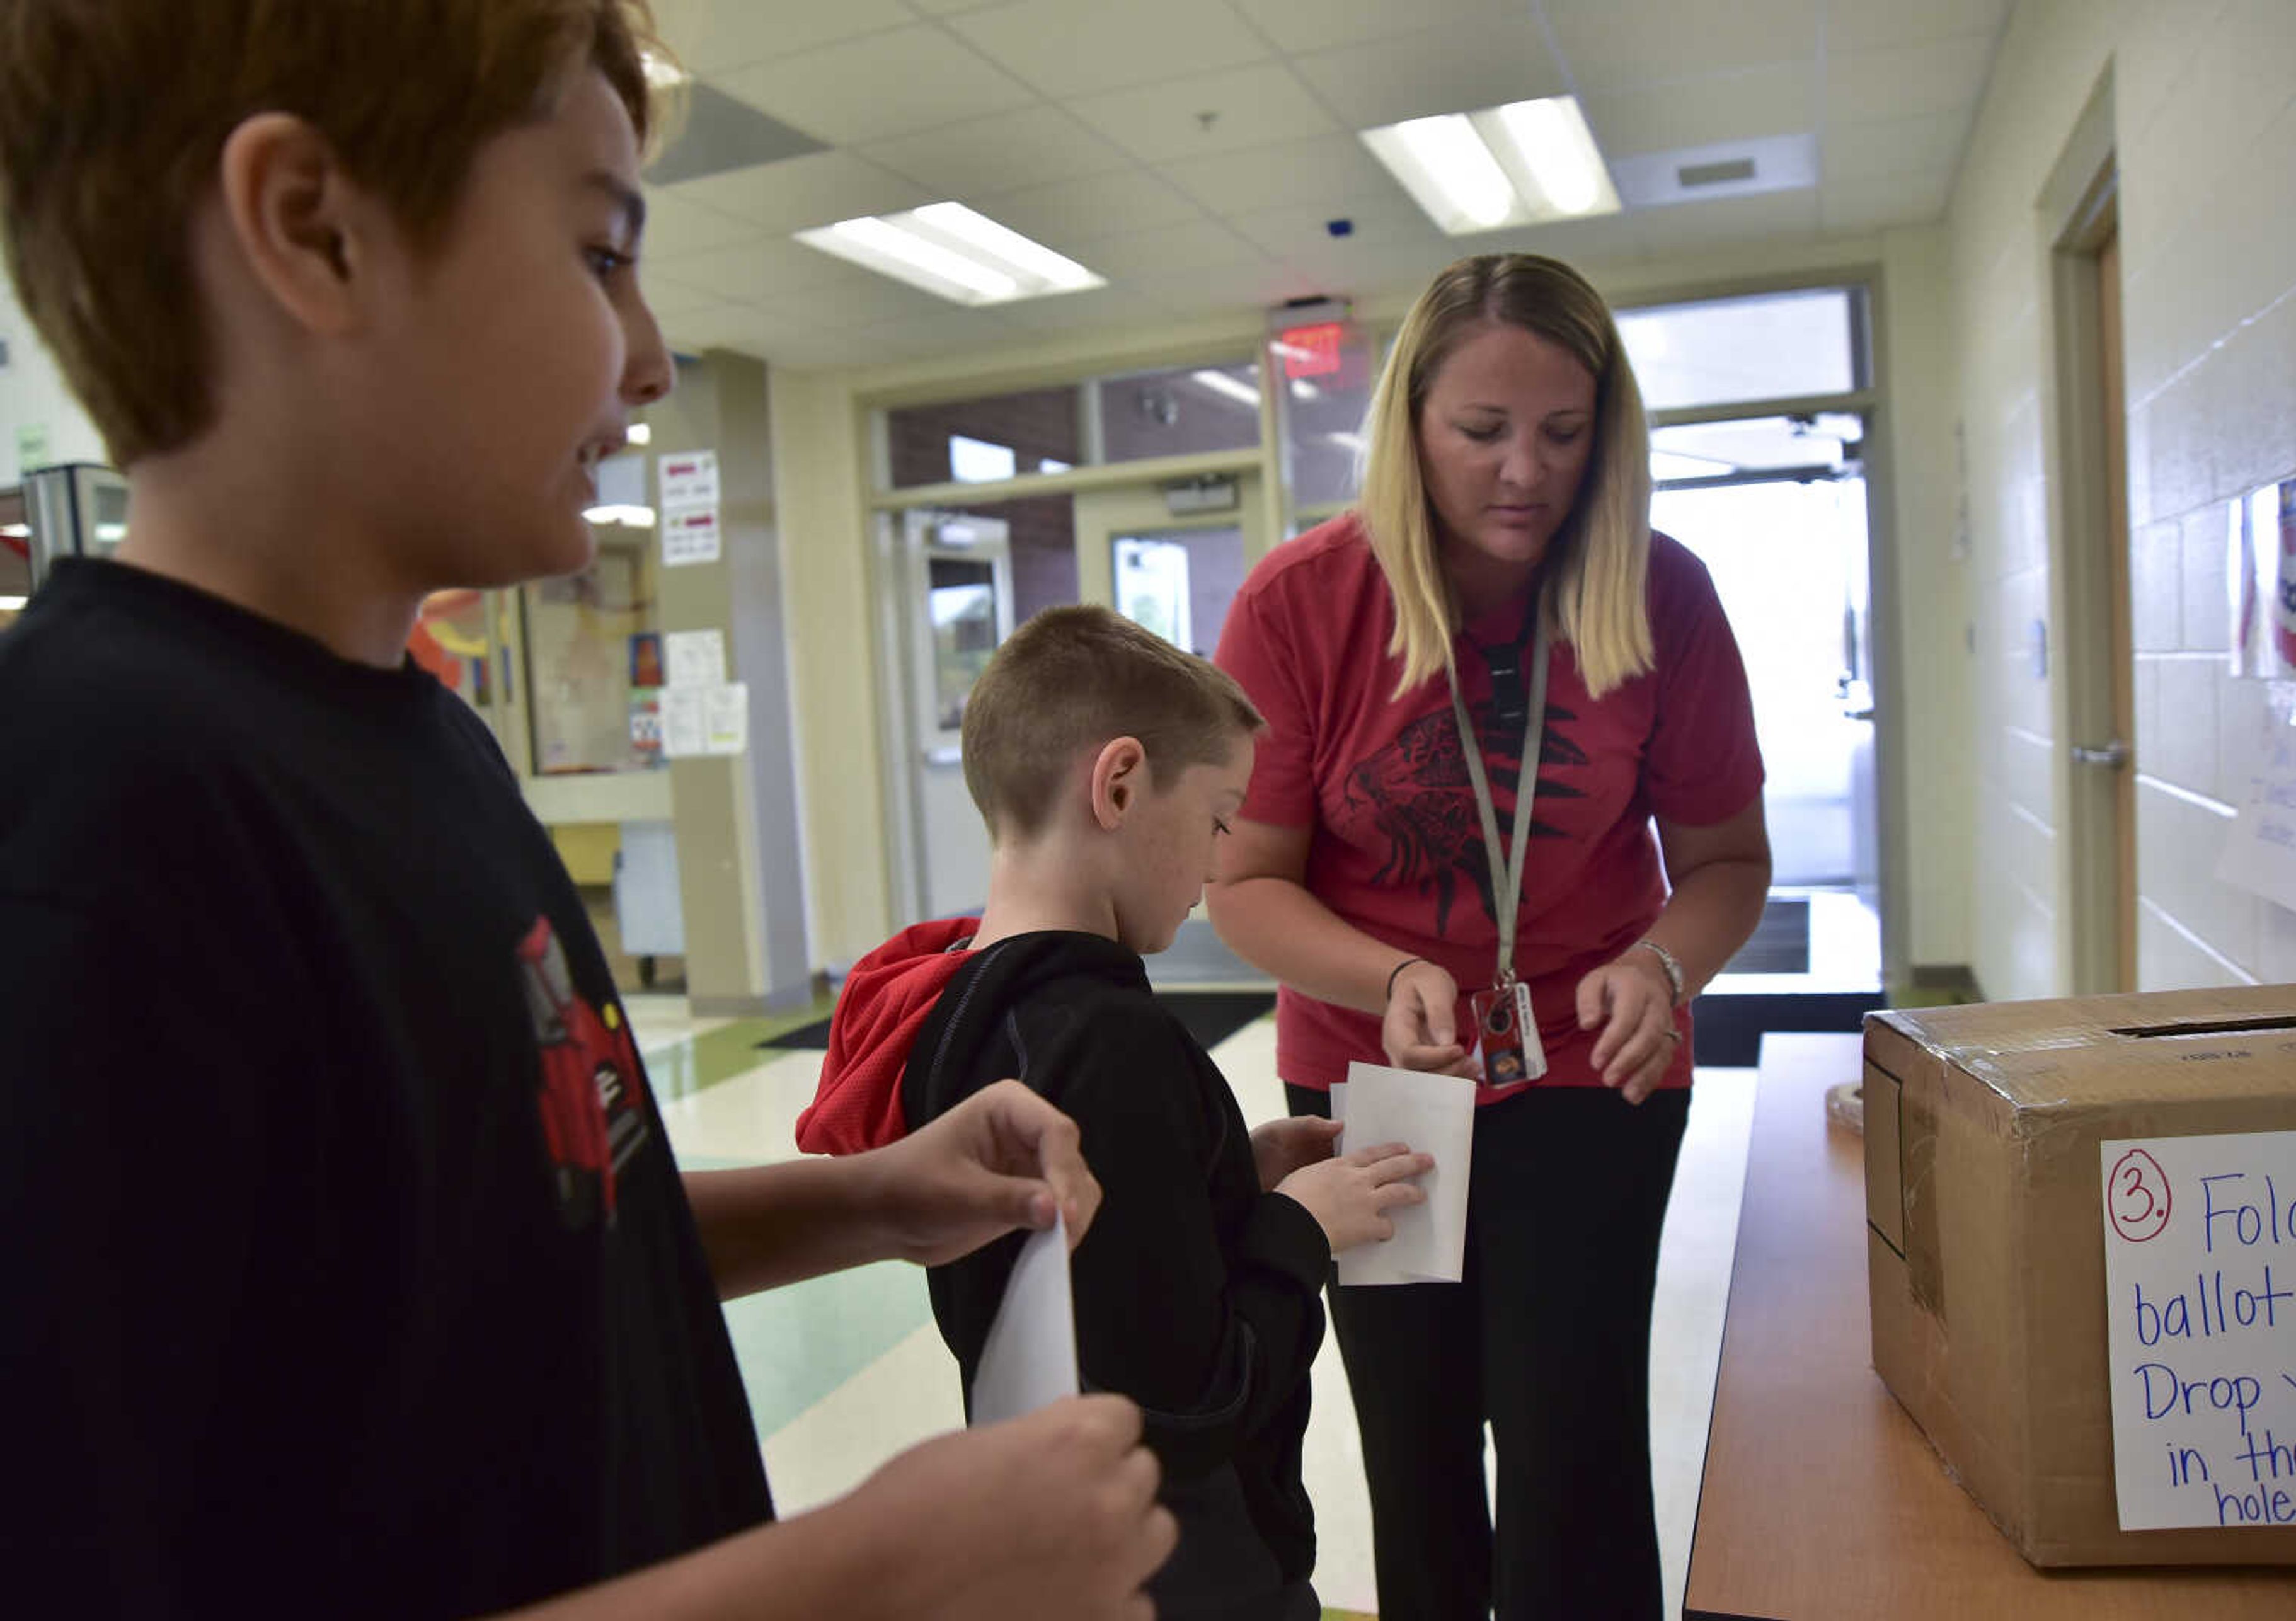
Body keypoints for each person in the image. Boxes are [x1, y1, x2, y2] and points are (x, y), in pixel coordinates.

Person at [0, 4, 1174, 1616]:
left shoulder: (417, 739)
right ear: (314, 231)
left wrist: (873, 1195)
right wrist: (871, 1581)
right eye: (601, 253)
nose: (650, 355)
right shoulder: (99, 831)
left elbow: (497, 1235)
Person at [1208, 253, 1774, 1620]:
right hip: (1380, 1087)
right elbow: (1244, 885)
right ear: (1409, 426)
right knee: (1415, 1445)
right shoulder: (1300, 606)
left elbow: (1726, 862)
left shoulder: (1662, 594)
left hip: (1594, 1075)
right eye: (1482, 432)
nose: (1527, 471)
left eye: (1566, 434)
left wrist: (1664, 963)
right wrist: (1390, 971)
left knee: (1573, 1443)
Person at [795, 604, 1433, 1621]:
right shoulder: (1107, 1039)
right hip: (1191, 1568)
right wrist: (1300, 1230)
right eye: (1219, 817)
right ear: (1121, 783)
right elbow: (1192, 1398)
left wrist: (1228, 1177)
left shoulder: (966, 1005)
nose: (1220, 863)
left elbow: (1112, 1281)